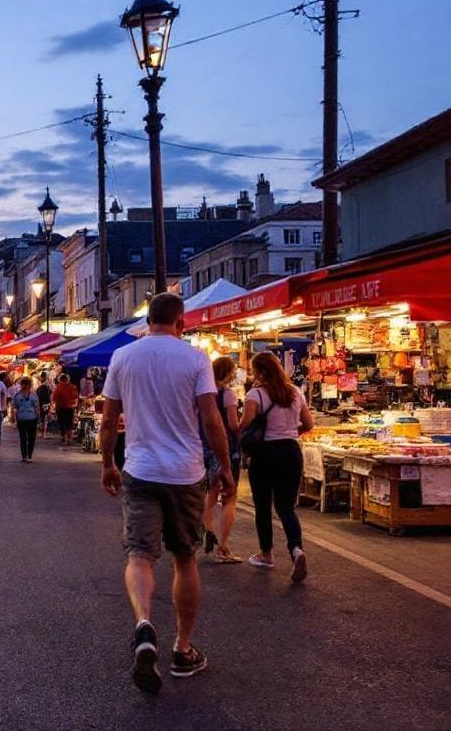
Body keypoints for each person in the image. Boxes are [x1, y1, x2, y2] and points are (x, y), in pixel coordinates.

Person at [99, 293, 233, 693]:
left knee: (139, 555)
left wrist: (107, 464)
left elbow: (109, 420)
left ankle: (144, 625)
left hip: (140, 469)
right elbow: (211, 419)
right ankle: (182, 648)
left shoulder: (123, 357)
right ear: (181, 321)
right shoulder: (195, 359)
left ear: (148, 320)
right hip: (184, 472)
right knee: (185, 558)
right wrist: (225, 466)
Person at [240, 352, 314, 582]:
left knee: (263, 506)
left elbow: (244, 425)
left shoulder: (255, 395)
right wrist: (290, 433)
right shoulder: (295, 392)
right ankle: (296, 550)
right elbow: (309, 423)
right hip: (291, 452)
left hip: (265, 454)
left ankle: (266, 554)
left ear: (260, 371)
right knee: (286, 507)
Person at [202, 357, 243, 564]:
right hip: (226, 449)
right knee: (229, 497)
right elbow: (233, 425)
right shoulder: (228, 395)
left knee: (210, 493)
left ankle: (207, 529)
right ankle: (223, 547)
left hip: (204, 449)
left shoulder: (204, 394)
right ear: (228, 373)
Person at [12, 373, 42, 462]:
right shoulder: (19, 395)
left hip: (30, 418)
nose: (24, 386)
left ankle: (28, 455)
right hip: (24, 419)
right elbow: (15, 407)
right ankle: (25, 456)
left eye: (25, 384)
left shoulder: (32, 395)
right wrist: (14, 418)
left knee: (29, 438)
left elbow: (37, 408)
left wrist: (39, 419)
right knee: (25, 438)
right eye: (23, 384)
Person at [53, 374, 80, 443]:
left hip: (60, 408)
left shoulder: (58, 387)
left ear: (60, 380)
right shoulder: (72, 387)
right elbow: (76, 397)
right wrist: (74, 404)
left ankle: (64, 437)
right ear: (67, 379)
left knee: (62, 423)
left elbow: (54, 398)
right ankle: (69, 438)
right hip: (69, 408)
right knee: (69, 423)